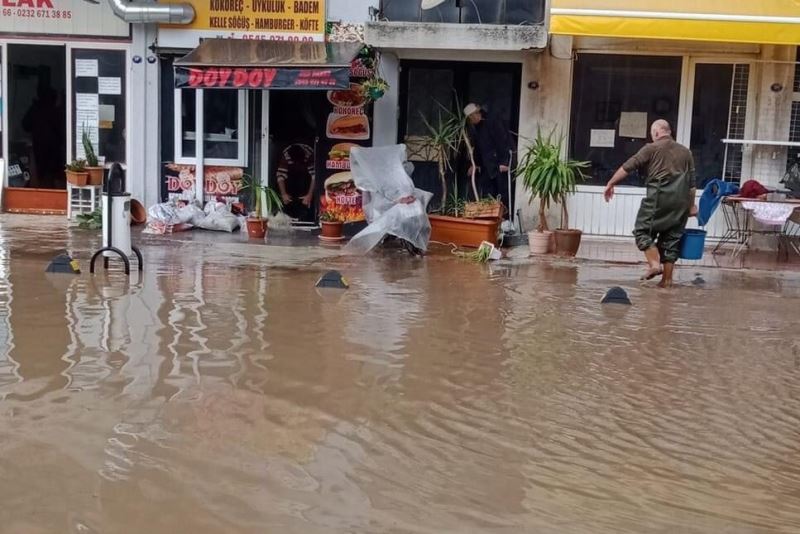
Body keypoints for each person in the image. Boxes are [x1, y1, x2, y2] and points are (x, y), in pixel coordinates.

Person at [604, 120, 698, 288]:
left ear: (656, 133)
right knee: (671, 241)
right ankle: (666, 283)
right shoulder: (686, 152)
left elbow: (628, 166)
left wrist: (611, 183)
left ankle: (654, 265)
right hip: (681, 204)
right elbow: (692, 184)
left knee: (642, 231)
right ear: (669, 132)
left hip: (658, 199)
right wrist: (691, 206)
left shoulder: (651, 148)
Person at [464, 103, 515, 215]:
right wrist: (476, 164)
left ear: (476, 114)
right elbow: (478, 148)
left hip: (499, 164)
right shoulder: (476, 128)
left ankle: (505, 220)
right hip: (488, 165)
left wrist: (504, 162)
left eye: (472, 117)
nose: (471, 120)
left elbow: (503, 141)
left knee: (503, 193)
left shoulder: (492, 121)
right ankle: (491, 219)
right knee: (488, 193)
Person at [276, 142, 315, 222]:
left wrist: (309, 195)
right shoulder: (286, 155)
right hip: (291, 177)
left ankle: (306, 215)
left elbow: (314, 176)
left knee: (304, 187)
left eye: (299, 164)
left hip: (305, 177)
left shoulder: (309, 154)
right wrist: (284, 194)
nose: (297, 166)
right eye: (295, 164)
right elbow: (280, 175)